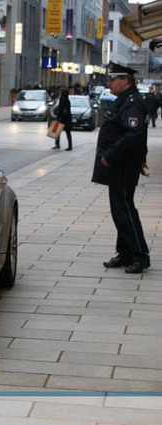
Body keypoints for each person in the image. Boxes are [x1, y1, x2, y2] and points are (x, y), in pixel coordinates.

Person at [92, 62, 150, 274]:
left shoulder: (131, 103)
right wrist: (143, 158)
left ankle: (139, 254)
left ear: (125, 81)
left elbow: (134, 134)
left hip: (122, 165)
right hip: (121, 165)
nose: (109, 82)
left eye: (113, 79)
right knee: (120, 210)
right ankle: (125, 252)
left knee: (124, 210)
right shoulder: (126, 100)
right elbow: (140, 134)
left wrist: (110, 154)